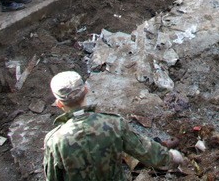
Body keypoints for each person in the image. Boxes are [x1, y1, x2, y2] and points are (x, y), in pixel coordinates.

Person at [43, 71, 184, 181]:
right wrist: (170, 157)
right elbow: (144, 150)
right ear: (86, 90)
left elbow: (53, 177)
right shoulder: (114, 124)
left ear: (59, 103)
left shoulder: (54, 141)